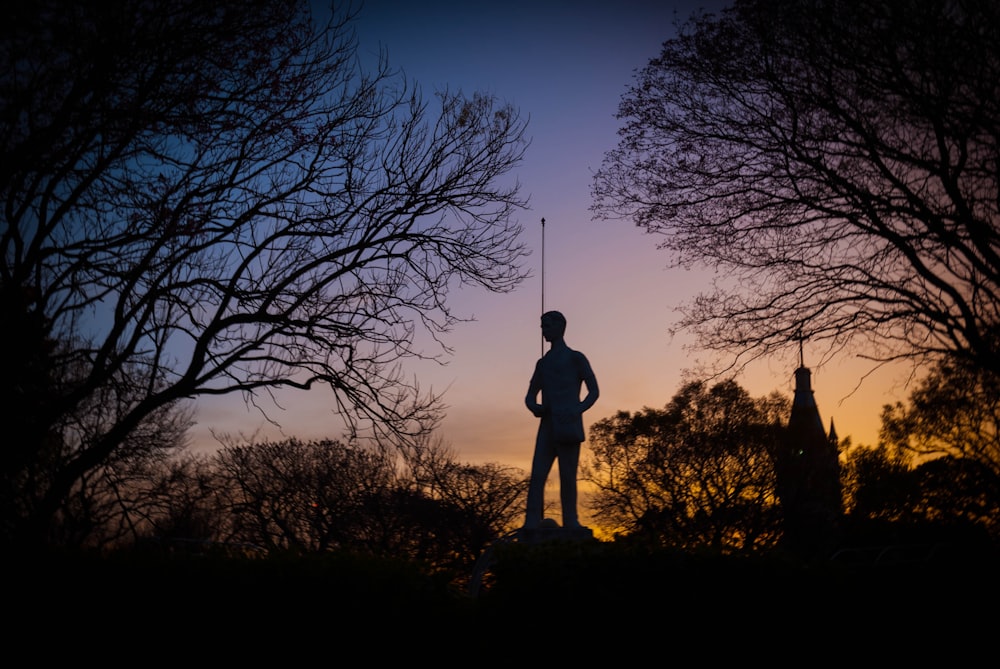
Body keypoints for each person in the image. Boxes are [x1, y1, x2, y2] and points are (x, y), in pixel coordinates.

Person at [523, 310, 599, 529]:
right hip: (547, 425)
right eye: (542, 327)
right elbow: (530, 396)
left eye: (547, 326)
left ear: (560, 327)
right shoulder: (542, 364)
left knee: (567, 476)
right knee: (537, 475)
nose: (544, 331)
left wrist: (577, 410)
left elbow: (593, 391)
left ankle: (571, 521)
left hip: (568, 424)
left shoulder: (576, 358)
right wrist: (535, 407)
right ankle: (531, 520)